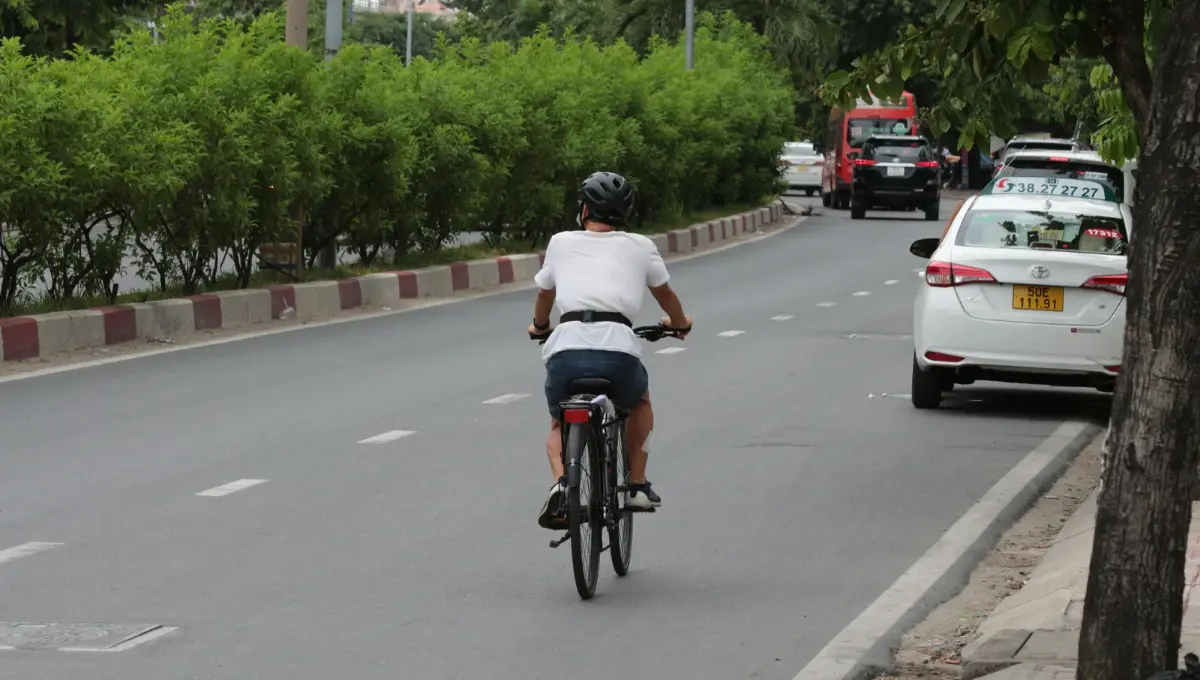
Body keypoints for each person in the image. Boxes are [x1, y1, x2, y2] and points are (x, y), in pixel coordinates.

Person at [528, 171, 693, 530]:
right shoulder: (640, 246)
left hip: (566, 351)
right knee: (639, 403)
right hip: (619, 352)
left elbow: (545, 295)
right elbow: (664, 294)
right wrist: (679, 322)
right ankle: (636, 484)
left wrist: (540, 326)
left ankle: (560, 482)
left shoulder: (560, 242)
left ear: (585, 210)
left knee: (560, 418)